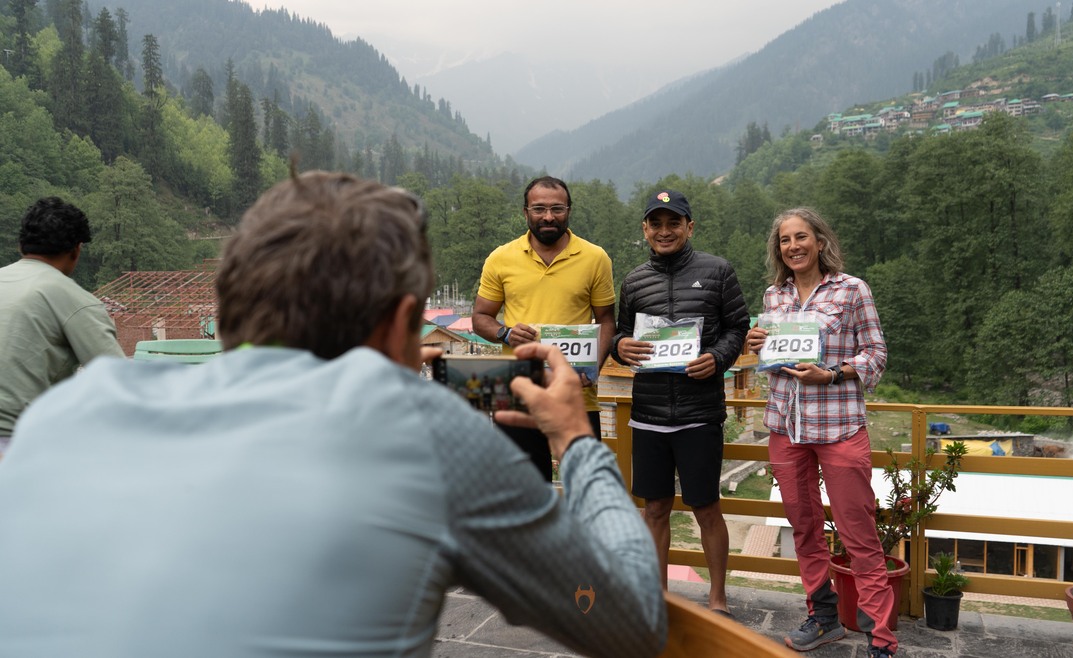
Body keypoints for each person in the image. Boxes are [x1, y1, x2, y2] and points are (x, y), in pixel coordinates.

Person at [0, 171, 667, 658]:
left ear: (231, 307)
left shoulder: (64, 418)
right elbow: (630, 620)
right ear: (401, 324)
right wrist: (577, 440)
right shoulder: (421, 436)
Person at [745, 207, 893, 657]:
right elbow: (773, 361)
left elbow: (876, 353)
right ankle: (824, 617)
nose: (793, 246)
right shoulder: (775, 297)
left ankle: (881, 638)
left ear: (820, 241)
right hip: (786, 426)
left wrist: (830, 374)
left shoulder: (852, 290)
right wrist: (758, 345)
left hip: (839, 426)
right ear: (779, 249)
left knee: (857, 532)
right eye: (785, 240)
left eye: (801, 237)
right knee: (804, 527)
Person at [612, 189, 749, 617]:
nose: (665, 231)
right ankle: (658, 596)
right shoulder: (634, 280)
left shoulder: (718, 271)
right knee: (654, 508)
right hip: (649, 414)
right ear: (645, 229)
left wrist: (719, 358)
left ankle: (717, 598)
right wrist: (621, 347)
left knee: (706, 507)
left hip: (699, 414)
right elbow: (618, 333)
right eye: (656, 223)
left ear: (690, 227)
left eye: (674, 223)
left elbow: (738, 326)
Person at [473, 176, 616, 480]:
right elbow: (480, 318)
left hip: (576, 392)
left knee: (586, 485)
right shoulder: (501, 258)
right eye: (539, 209)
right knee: (525, 492)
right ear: (525, 212)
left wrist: (593, 369)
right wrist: (505, 333)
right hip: (518, 393)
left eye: (557, 209)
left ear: (569, 210)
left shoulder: (595, 258)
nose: (548, 217)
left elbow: (606, 320)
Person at [0, 197, 123, 457]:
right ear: (76, 250)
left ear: (21, 245)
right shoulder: (73, 299)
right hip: (20, 444)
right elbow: (120, 381)